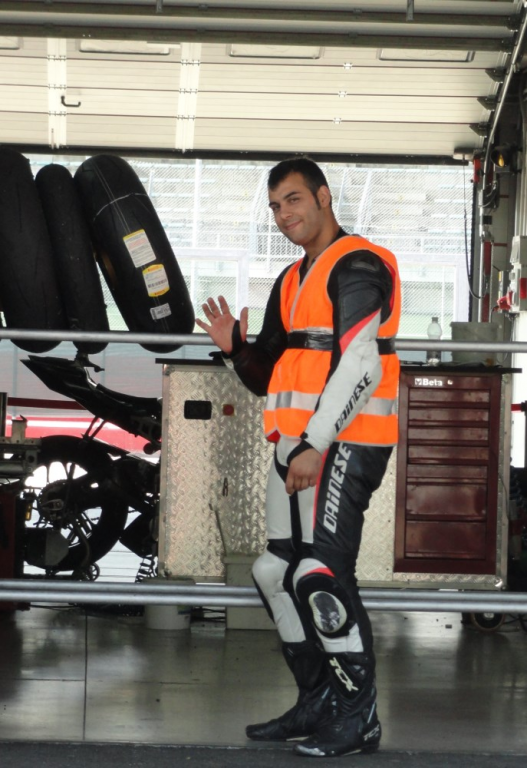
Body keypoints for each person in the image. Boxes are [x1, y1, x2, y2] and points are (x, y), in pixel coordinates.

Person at [196, 156, 401, 758]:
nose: (284, 214)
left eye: (293, 199)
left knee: (320, 575)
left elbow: (360, 364)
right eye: (275, 206)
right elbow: (268, 374)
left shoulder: (359, 265)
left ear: (323, 196)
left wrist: (316, 444)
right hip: (296, 444)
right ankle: (318, 702)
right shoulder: (291, 280)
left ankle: (358, 716)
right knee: (274, 572)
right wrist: (235, 349)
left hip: (345, 442)